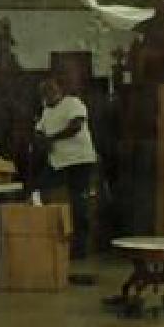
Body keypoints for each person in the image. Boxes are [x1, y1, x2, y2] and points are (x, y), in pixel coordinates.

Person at [34, 77, 97, 259]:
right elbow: (39, 130)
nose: (48, 95)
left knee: (78, 201)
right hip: (58, 162)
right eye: (45, 93)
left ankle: (80, 248)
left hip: (79, 160)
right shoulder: (46, 111)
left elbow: (75, 126)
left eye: (51, 91)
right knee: (40, 190)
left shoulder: (73, 103)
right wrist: (38, 137)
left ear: (59, 90)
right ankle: (44, 234)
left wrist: (51, 138)